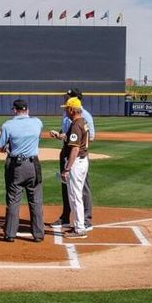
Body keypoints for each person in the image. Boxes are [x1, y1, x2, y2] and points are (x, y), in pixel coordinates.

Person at [0, 98, 44, 242]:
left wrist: (9, 147)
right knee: (36, 200)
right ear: (27, 110)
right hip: (33, 164)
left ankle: (10, 234)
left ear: (14, 110)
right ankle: (39, 234)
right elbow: (38, 135)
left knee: (13, 199)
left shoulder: (8, 125)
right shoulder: (37, 122)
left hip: (16, 166)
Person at [48, 87, 95, 229]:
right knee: (66, 185)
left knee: (82, 189)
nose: (65, 99)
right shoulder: (67, 114)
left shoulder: (84, 116)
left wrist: (73, 142)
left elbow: (89, 137)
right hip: (66, 152)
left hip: (76, 155)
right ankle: (65, 217)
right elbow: (67, 133)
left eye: (68, 98)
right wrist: (61, 135)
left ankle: (85, 220)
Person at [59, 97, 90, 238]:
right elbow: (73, 140)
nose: (65, 110)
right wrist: (61, 137)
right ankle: (79, 225)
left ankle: (80, 229)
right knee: (76, 194)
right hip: (83, 161)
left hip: (77, 162)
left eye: (66, 108)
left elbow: (75, 149)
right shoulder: (82, 122)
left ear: (72, 110)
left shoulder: (76, 124)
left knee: (75, 195)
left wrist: (67, 168)